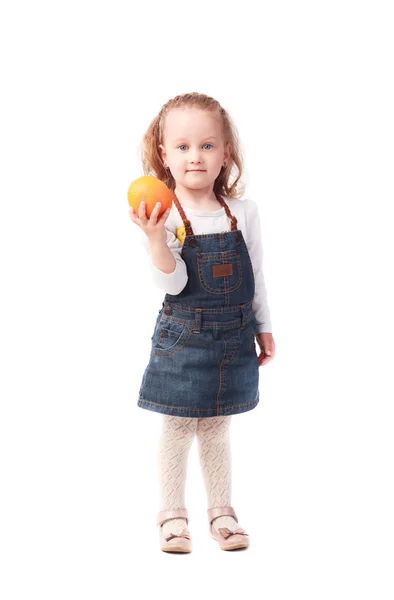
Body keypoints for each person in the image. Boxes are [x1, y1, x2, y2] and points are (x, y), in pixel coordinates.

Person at [128, 92, 275, 553]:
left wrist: (263, 325)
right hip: (184, 336)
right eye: (184, 146)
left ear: (225, 153)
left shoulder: (244, 213)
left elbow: (256, 276)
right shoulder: (165, 213)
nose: (196, 156)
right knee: (177, 426)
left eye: (208, 145)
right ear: (164, 155)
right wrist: (155, 240)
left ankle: (222, 511)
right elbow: (172, 285)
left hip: (233, 335)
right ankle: (172, 514)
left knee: (216, 425)